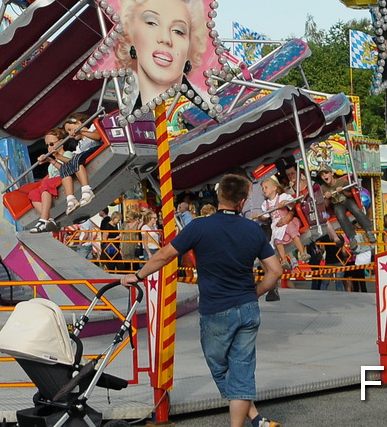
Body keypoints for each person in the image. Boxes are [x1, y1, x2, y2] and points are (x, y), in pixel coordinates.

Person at [134, 173, 282, 427]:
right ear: (243, 201)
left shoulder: (199, 226)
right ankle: (254, 418)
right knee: (242, 368)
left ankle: (247, 420)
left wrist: (137, 275)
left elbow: (164, 255)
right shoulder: (252, 229)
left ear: (219, 196)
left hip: (215, 310)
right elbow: (276, 271)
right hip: (247, 308)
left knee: (221, 368)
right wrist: (254, 292)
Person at [57, 114, 102, 211]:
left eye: (70, 129)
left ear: (78, 123)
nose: (70, 133)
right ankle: (70, 198)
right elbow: (70, 161)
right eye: (68, 132)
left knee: (77, 159)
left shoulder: (92, 128)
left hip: (96, 148)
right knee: (64, 167)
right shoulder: (79, 146)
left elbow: (98, 136)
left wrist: (81, 131)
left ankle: (87, 189)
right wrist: (57, 156)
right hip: (84, 156)